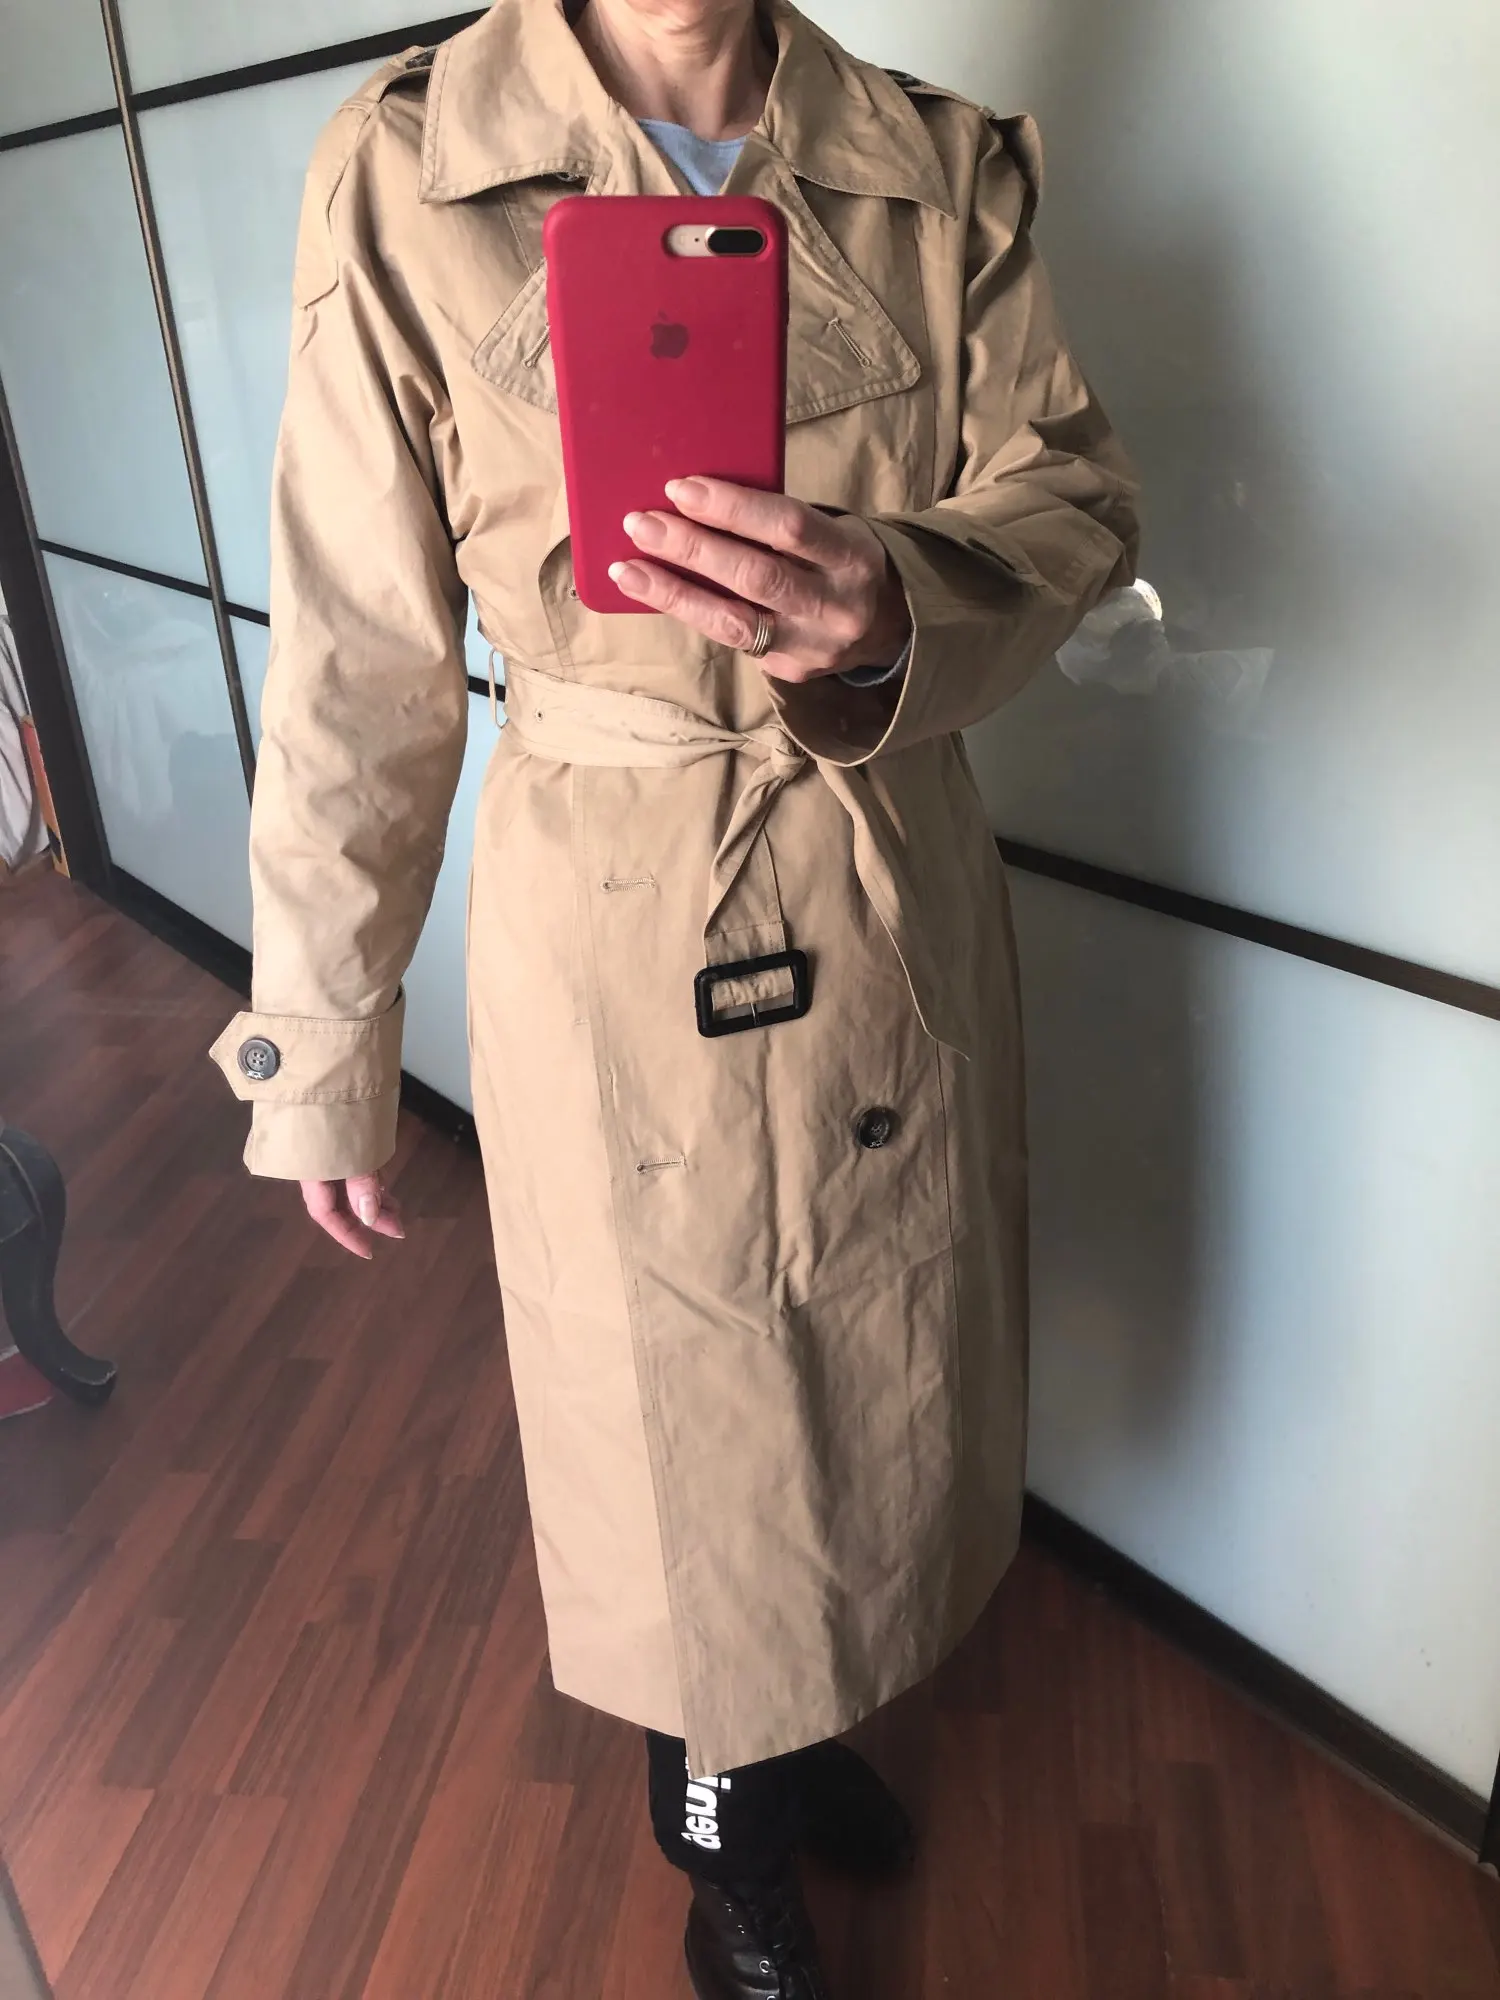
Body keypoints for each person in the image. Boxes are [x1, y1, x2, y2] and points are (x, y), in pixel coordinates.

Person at [209, 0, 1139, 1992]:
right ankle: (731, 1865)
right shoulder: (412, 165)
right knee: (680, 1415)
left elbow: (1068, 495)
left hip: (877, 865)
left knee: (880, 1363)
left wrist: (895, 601)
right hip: (618, 904)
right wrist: (325, 1036)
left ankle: (807, 1725)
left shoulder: (938, 164)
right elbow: (359, 648)